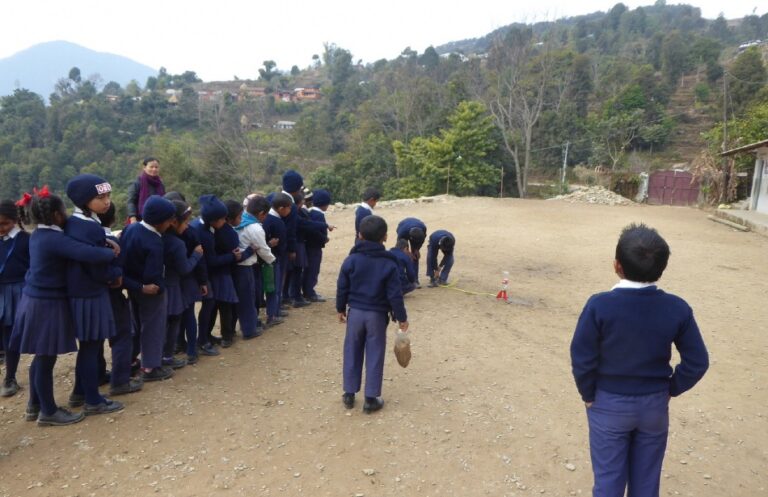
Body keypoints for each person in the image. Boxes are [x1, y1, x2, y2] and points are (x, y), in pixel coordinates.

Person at [570, 223, 709, 497]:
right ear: (662, 267)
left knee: (609, 480)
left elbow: (582, 356)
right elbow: (698, 361)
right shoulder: (677, 307)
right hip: (654, 406)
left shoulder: (599, 305)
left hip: (608, 403)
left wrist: (588, 393)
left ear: (616, 265)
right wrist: (671, 388)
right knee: (646, 482)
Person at [10, 187, 118, 426]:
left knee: (42, 357)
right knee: (46, 358)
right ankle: (48, 411)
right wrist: (111, 252)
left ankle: (35, 404)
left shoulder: (38, 234)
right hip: (45, 303)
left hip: (35, 299)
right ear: (57, 215)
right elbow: (86, 253)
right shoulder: (54, 239)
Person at [64, 174, 125, 416]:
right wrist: (115, 273)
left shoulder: (77, 223)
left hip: (81, 292)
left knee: (89, 347)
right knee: (91, 347)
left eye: (108, 196)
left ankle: (80, 392)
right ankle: (93, 400)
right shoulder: (88, 227)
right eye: (100, 197)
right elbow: (95, 265)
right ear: (84, 200)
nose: (107, 201)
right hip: (90, 294)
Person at [337, 215, 408, 414]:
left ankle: (349, 394)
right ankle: (370, 398)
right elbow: (395, 294)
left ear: (359, 235)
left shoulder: (351, 259)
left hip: (355, 314)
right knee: (375, 353)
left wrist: (340, 308)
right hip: (377, 315)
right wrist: (401, 317)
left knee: (351, 349)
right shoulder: (389, 263)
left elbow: (342, 286)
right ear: (385, 237)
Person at [121, 195, 177, 382]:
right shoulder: (154, 241)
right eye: (169, 221)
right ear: (160, 221)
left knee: (136, 325)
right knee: (153, 327)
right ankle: (151, 367)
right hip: (149, 290)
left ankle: (130, 361)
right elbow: (153, 272)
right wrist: (159, 288)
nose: (170, 225)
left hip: (132, 286)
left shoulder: (131, 228)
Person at [97, 204, 144, 396]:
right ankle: (120, 380)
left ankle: (97, 375)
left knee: (94, 340)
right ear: (113, 219)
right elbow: (119, 278)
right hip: (113, 296)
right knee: (122, 336)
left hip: (90, 296)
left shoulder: (81, 238)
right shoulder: (111, 242)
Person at [191, 195, 245, 352]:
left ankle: (206, 335)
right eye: (222, 219)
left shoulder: (203, 226)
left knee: (212, 306)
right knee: (209, 307)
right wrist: (232, 256)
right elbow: (211, 261)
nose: (224, 222)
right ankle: (202, 340)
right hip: (205, 275)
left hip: (207, 274)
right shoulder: (204, 233)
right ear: (213, 220)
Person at [161, 200, 203, 368]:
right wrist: (196, 256)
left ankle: (188, 350)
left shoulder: (164, 236)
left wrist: (203, 280)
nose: (187, 226)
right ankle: (176, 351)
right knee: (179, 318)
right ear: (173, 222)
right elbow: (190, 265)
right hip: (182, 281)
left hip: (181, 282)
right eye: (185, 222)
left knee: (182, 317)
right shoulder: (176, 240)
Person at [0, 199, 30, 397]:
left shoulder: (25, 240)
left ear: (15, 220)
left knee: (12, 335)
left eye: (4, 224)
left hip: (18, 291)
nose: (1, 228)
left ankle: (9, 377)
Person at [234, 196, 275, 338]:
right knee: (248, 298)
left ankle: (243, 327)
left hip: (236, 265)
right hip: (246, 266)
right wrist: (272, 260)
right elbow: (263, 249)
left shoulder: (240, 220)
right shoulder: (255, 228)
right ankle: (249, 330)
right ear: (261, 213)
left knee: (243, 298)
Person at [262, 193, 292, 327]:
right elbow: (281, 244)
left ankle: (275, 310)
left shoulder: (265, 218)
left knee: (271, 287)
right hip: (275, 258)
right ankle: (273, 314)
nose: (290, 211)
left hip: (264, 258)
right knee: (275, 287)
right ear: (281, 208)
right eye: (288, 208)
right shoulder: (277, 222)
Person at [303, 189, 335, 302]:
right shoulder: (319, 215)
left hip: (308, 246)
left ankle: (306, 290)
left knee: (308, 269)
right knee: (313, 269)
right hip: (315, 247)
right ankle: (310, 292)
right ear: (325, 204)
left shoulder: (310, 212)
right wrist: (324, 238)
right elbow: (314, 231)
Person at [280, 170, 303, 306]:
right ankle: (282, 300)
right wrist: (292, 249)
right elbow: (291, 230)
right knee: (285, 272)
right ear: (297, 188)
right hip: (284, 246)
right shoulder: (291, 206)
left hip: (272, 244)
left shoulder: (273, 197)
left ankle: (282, 299)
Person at [127, 157, 166, 224]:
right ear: (144, 168)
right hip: (140, 220)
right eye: (151, 167)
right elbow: (131, 201)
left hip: (158, 221)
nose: (154, 169)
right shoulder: (137, 183)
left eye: (156, 167)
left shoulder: (160, 184)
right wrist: (133, 218)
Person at [396, 217, 427, 287]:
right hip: (403, 227)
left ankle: (415, 280)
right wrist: (407, 252)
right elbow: (400, 245)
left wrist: (416, 250)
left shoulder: (423, 229)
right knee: (402, 256)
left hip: (415, 228)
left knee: (415, 257)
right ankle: (402, 279)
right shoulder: (402, 232)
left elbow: (421, 241)